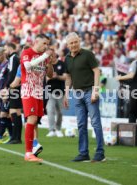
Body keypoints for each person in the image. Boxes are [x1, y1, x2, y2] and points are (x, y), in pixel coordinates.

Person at [63, 32, 105, 162]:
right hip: (77, 94)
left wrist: (95, 91)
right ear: (67, 45)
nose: (74, 45)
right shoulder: (67, 58)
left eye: (76, 42)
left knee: (95, 123)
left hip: (89, 92)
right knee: (81, 124)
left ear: (79, 41)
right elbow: (68, 77)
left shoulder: (87, 54)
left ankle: (100, 153)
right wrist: (66, 94)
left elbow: (97, 71)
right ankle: (83, 153)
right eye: (71, 43)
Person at [20, 34, 54, 162]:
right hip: (29, 90)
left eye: (47, 44)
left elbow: (50, 75)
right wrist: (45, 56)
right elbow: (28, 66)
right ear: (36, 42)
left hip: (39, 91)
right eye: (44, 43)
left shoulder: (44, 57)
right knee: (32, 118)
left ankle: (32, 149)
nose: (46, 46)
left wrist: (50, 63)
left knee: (35, 121)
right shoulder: (27, 52)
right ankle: (28, 153)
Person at [4, 43, 23, 144]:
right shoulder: (14, 58)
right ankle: (15, 137)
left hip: (15, 87)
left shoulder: (13, 58)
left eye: (5, 49)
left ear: (10, 48)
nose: (4, 51)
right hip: (15, 87)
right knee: (14, 112)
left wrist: (9, 87)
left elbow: (13, 75)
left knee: (15, 112)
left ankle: (16, 137)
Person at [46, 51, 66, 137]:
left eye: (52, 56)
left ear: (55, 55)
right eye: (49, 56)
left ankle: (58, 129)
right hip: (50, 91)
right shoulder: (47, 65)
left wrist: (57, 76)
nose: (50, 57)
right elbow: (45, 78)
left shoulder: (62, 64)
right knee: (50, 110)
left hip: (60, 91)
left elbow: (65, 77)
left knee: (60, 112)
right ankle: (51, 129)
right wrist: (50, 76)